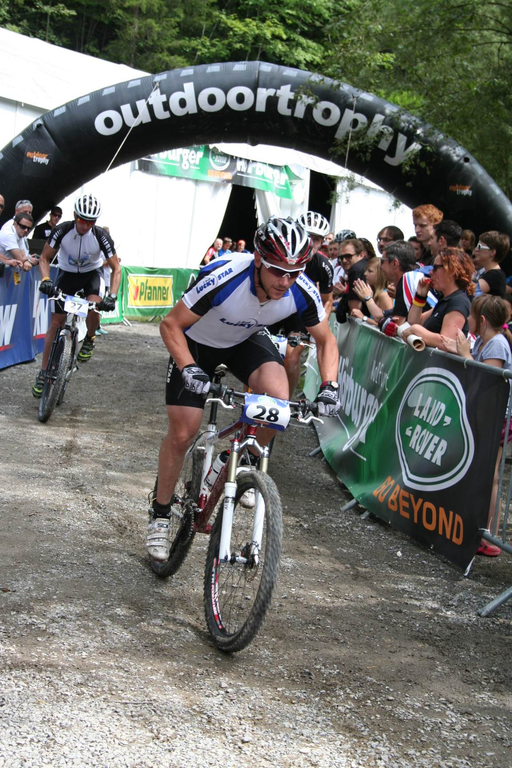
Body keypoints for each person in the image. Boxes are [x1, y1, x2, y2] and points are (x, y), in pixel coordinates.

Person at [147, 215, 341, 560]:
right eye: (277, 271)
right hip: (196, 344)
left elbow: (326, 341)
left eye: (294, 272)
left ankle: (234, 459)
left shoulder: (301, 288)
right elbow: (171, 325)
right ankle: (161, 514)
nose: (285, 281)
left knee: (279, 401)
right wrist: (188, 368)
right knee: (183, 432)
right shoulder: (225, 277)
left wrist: (330, 386)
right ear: (258, 260)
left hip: (243, 340)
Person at [441, 295, 512, 557]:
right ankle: (479, 527)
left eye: (470, 316)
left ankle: (488, 534)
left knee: (490, 474)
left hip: (499, 417)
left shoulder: (497, 345)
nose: (467, 320)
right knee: (482, 471)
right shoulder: (484, 340)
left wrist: (465, 355)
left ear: (481, 320)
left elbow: (487, 380)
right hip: (488, 414)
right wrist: (458, 350)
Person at [32, 194, 121, 397]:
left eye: (91, 222)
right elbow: (44, 258)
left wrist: (113, 296)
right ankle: (43, 373)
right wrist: (46, 280)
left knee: (95, 306)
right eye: (82, 220)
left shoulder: (101, 236)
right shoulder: (62, 230)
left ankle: (89, 338)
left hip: (92, 275)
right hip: (67, 275)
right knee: (56, 323)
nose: (85, 225)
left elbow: (116, 268)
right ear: (74, 216)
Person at [267, 211, 334, 398]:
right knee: (258, 354)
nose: (311, 242)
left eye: (316, 239)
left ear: (322, 242)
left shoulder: (323, 266)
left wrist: (319, 324)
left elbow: (327, 301)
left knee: (291, 357)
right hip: (271, 307)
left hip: (300, 315)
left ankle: (285, 402)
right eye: (307, 235)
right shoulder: (280, 255)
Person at [401, 247, 474, 350]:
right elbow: (413, 322)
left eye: (435, 268)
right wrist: (420, 296)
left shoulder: (459, 301)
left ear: (451, 270)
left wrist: (416, 330)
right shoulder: (445, 300)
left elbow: (447, 342)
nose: (430, 272)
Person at [351, 256, 393, 325]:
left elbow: (388, 325)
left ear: (380, 274)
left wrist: (363, 317)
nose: (365, 273)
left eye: (370, 271)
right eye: (366, 270)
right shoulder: (376, 294)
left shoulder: (384, 295)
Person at [334, 238, 369, 323]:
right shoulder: (365, 266)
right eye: (341, 258)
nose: (344, 260)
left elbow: (355, 309)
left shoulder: (356, 270)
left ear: (361, 255)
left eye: (348, 256)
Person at [472, 231, 509, 298]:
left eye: (479, 246)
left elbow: (469, 291)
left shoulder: (496, 275)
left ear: (492, 252)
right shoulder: (486, 272)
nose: (476, 249)